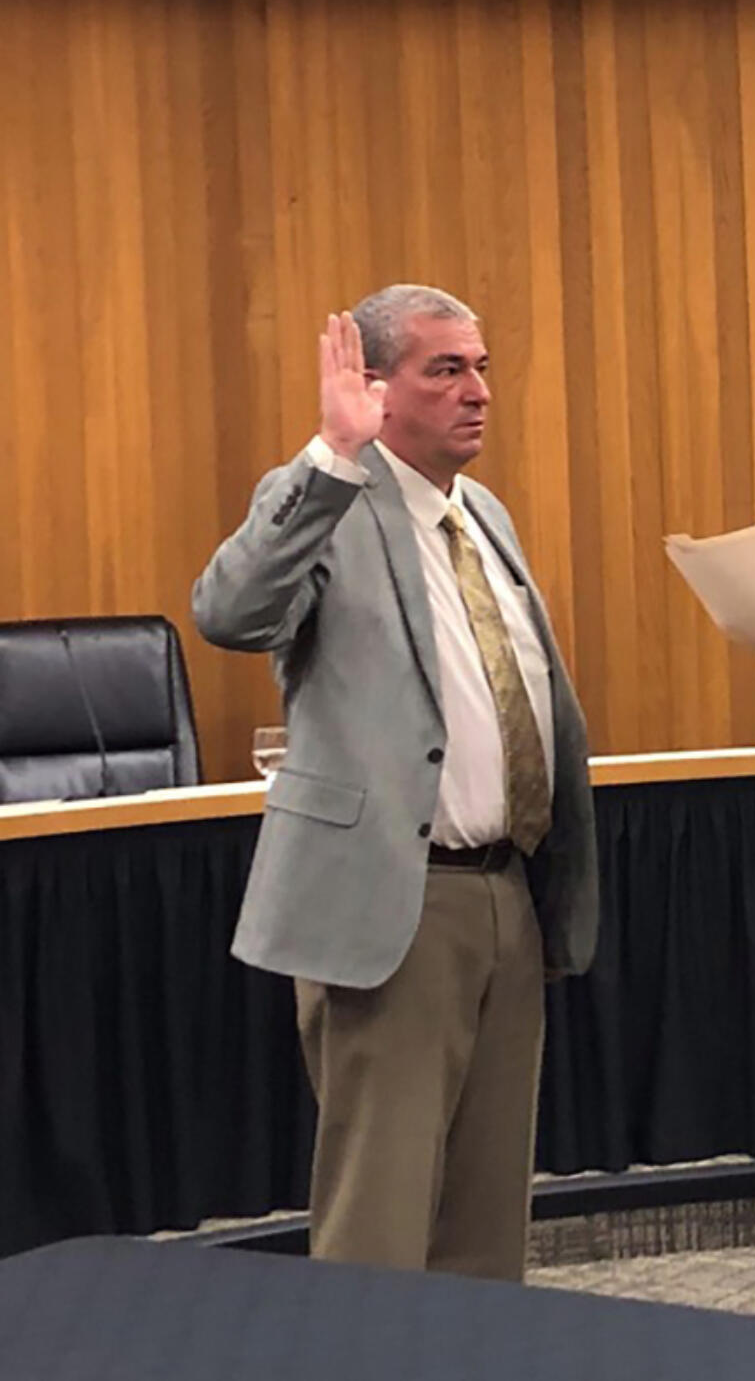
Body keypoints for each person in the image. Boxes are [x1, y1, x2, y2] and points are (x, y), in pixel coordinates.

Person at [193, 284, 598, 1280]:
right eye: (445, 369)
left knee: (484, 1216)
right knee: (378, 1220)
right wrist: (330, 456)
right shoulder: (328, 501)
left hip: (508, 893)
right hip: (396, 904)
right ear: (373, 388)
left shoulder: (483, 513)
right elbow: (229, 612)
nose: (476, 391)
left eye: (481, 367)